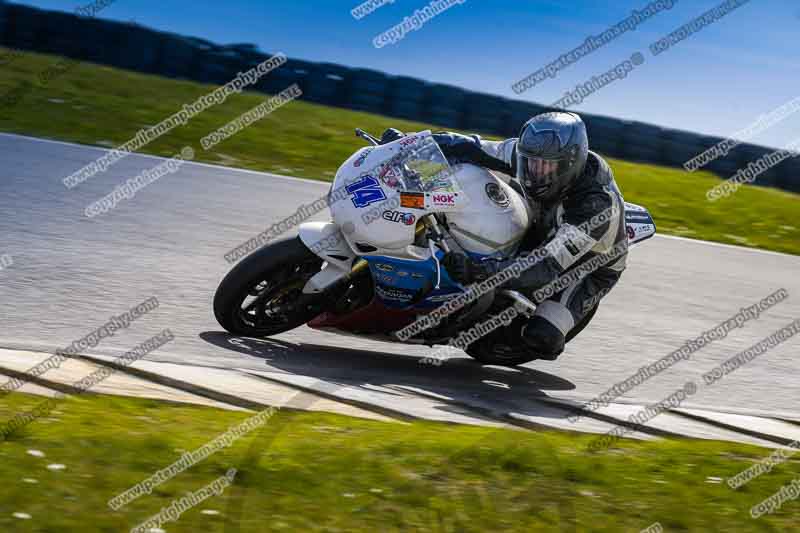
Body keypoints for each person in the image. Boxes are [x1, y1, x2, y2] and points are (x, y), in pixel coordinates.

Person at [381, 112, 627, 360]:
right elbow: (469, 146)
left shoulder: (595, 208)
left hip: (585, 267)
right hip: (542, 222)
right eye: (530, 163)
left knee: (544, 337)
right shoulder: (525, 157)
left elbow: (545, 266)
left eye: (546, 166)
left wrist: (478, 271)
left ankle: (503, 333)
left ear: (570, 163)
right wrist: (409, 144)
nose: (535, 173)